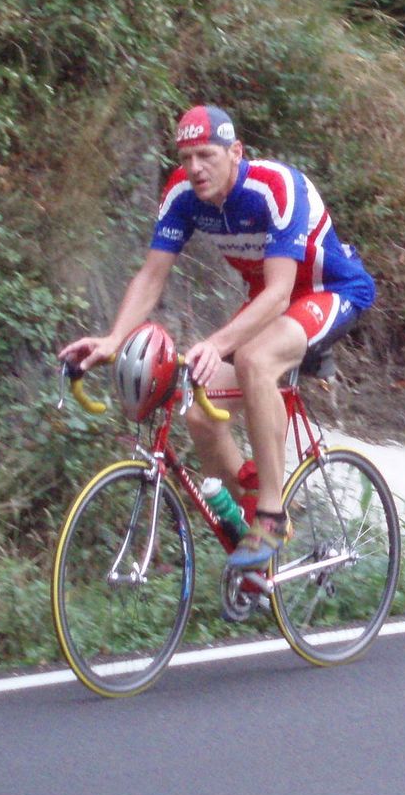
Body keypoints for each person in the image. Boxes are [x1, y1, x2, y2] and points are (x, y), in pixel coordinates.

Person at [59, 105, 376, 567]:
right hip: (272, 299)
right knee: (199, 411)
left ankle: (272, 516)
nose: (195, 168)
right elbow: (151, 276)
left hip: (329, 289)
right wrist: (113, 339)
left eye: (206, 155)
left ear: (236, 152)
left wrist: (216, 344)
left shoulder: (275, 188)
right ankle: (252, 510)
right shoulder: (182, 194)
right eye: (186, 157)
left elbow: (280, 293)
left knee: (254, 360)